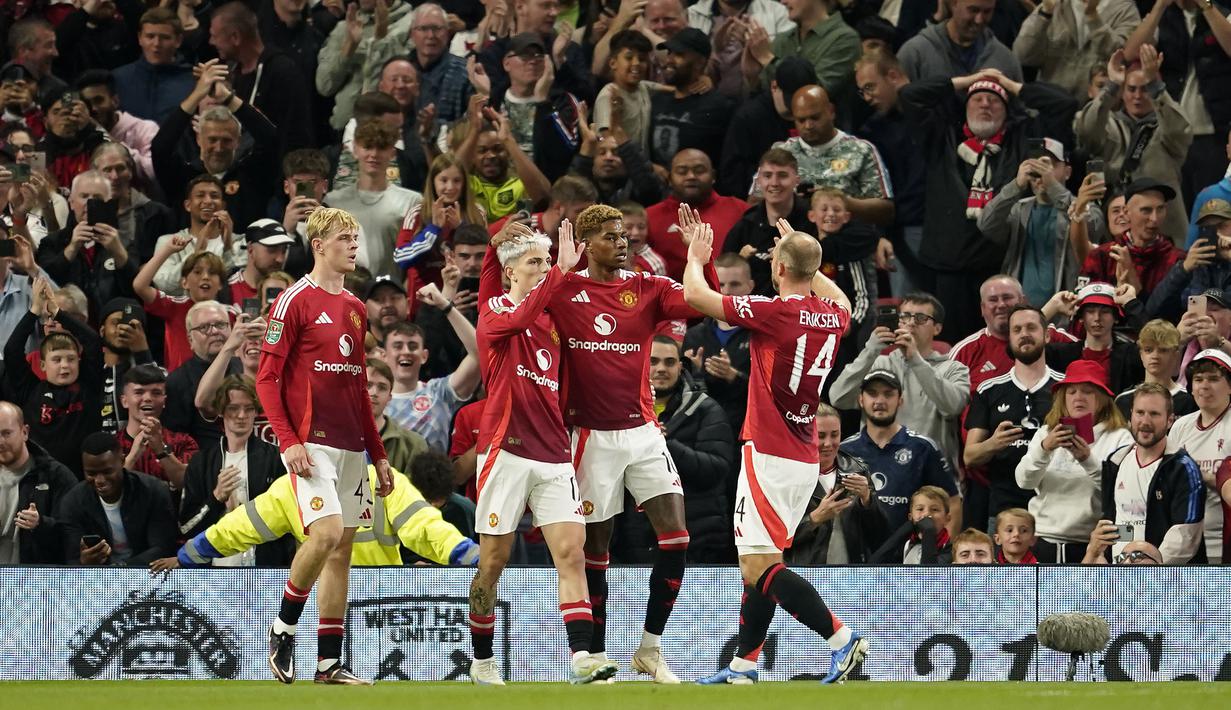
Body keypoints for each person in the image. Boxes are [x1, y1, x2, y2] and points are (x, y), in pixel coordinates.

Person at [683, 211, 867, 685]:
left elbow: (696, 297)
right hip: (803, 454)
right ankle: (744, 666)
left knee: (757, 564)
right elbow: (840, 297)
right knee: (763, 562)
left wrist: (696, 255)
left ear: (778, 269)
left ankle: (841, 639)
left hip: (768, 451)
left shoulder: (773, 311)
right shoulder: (832, 315)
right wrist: (803, 253)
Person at [544, 204, 712, 682]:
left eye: (625, 235)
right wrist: (557, 269)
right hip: (589, 434)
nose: (624, 242)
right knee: (596, 549)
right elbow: (522, 312)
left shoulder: (647, 287)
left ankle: (650, 648)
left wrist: (699, 258)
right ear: (587, 243)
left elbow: (702, 301)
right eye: (612, 237)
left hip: (642, 430)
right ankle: (596, 656)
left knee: (677, 536)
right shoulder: (565, 291)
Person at [466, 218, 615, 685]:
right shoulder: (495, 313)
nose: (545, 268)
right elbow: (519, 313)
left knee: (571, 553)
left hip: (552, 453)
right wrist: (504, 251)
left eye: (547, 262)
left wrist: (560, 271)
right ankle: (482, 660)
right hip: (504, 450)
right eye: (535, 263)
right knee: (493, 560)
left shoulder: (552, 323)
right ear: (512, 272)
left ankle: (582, 658)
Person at [255, 207, 393, 685]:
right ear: (318, 245)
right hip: (311, 445)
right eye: (344, 238)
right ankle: (282, 629)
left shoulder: (355, 308)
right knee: (328, 533)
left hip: (352, 445)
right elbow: (267, 378)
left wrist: (378, 454)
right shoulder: (294, 300)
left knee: (342, 552)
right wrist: (288, 441)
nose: (354, 245)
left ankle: (328, 663)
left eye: (356, 238)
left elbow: (358, 388)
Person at [899, 69, 1078, 339]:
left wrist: (1010, 84)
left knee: (1002, 346)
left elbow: (1063, 104)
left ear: (1007, 111)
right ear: (965, 106)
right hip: (949, 268)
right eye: (977, 98)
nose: (985, 104)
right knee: (955, 350)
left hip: (1000, 267)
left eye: (994, 100)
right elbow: (910, 95)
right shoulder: (941, 136)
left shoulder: (1020, 141)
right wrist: (966, 81)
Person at [156, 456, 477, 570]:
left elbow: (424, 527)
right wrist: (186, 556)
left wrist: (468, 554)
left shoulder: (384, 480)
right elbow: (238, 527)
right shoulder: (292, 488)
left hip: (377, 601)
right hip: (332, 602)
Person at [614, 336, 735, 563]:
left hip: (698, 545)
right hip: (635, 545)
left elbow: (716, 469)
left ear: (680, 366)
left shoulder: (706, 409)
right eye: (654, 361)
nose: (661, 369)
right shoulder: (619, 411)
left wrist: (664, 445)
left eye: (669, 362)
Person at [829, 293, 970, 473]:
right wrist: (870, 350)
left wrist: (915, 360)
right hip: (880, 471)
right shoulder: (878, 363)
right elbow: (838, 398)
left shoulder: (954, 369)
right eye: (904, 316)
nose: (911, 323)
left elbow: (953, 406)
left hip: (930, 476)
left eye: (920, 318)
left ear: (937, 328)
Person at [1014, 359, 1134, 562]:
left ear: (1102, 397)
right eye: (1071, 392)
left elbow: (1123, 493)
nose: (1078, 397)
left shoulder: (1120, 437)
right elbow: (1024, 482)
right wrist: (1044, 450)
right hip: (1042, 541)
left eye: (1087, 391)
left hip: (1091, 545)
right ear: (1063, 398)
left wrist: (1087, 460)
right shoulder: (1046, 432)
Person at [1074, 46, 1191, 242]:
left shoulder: (1166, 128)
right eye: (1131, 89)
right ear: (1122, 92)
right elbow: (1086, 130)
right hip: (1115, 230)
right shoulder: (1109, 126)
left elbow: (1179, 131)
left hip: (1164, 233)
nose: (1137, 96)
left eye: (1145, 89)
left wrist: (1156, 86)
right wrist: (1111, 86)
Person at [964, 305, 1064, 529]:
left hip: (1057, 509)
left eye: (1031, 327)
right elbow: (969, 456)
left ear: (1047, 335)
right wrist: (993, 444)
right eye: (1017, 330)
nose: (1024, 334)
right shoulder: (988, 389)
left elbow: (1087, 444)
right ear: (1009, 338)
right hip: (1004, 511)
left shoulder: (1068, 388)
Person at [150, 60, 279, 229]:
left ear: (238, 141)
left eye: (226, 140)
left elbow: (272, 139)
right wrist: (197, 95)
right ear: (198, 139)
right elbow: (160, 148)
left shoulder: (252, 175)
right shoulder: (183, 177)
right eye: (212, 140)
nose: (218, 148)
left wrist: (227, 98)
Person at [178, 375, 288, 567]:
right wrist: (215, 499)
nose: (241, 415)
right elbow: (186, 528)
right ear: (221, 411)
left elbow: (288, 520)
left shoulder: (275, 458)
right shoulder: (201, 463)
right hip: (215, 572)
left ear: (256, 411)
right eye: (233, 408)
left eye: (248, 408)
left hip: (266, 570)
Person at [3, 275, 103, 478]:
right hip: (40, 476)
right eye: (57, 360)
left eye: (70, 359)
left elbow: (93, 341)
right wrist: (34, 311)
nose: (65, 366)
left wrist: (57, 313)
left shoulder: (88, 384)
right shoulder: (30, 390)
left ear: (79, 361)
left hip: (83, 478)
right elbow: (12, 350)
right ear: (42, 364)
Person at [840, 369, 962, 534]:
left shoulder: (923, 448)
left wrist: (944, 553)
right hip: (857, 554)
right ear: (861, 400)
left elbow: (952, 502)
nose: (880, 401)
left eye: (888, 394)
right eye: (872, 393)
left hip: (911, 555)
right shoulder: (845, 450)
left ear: (900, 400)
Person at [977, 138, 1092, 305]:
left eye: (1049, 164)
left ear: (1067, 172)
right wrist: (1015, 186)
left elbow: (1093, 225)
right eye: (1035, 165)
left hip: (1067, 308)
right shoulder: (1019, 209)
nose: (1041, 171)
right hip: (1021, 311)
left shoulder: (1084, 206)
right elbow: (986, 224)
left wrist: (1053, 186)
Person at [1100, 383, 1205, 564]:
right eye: (1140, 413)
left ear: (1170, 420)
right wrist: (1116, 558)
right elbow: (1122, 525)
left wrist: (1150, 565)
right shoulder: (1115, 461)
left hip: (1167, 579)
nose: (1145, 421)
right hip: (1120, 574)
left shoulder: (1183, 468)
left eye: (1154, 414)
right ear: (1131, 415)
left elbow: (1186, 536)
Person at [853, 49, 926, 297]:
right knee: (906, 312)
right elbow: (873, 190)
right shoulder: (872, 130)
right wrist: (880, 235)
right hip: (901, 232)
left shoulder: (933, 111)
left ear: (893, 76)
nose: (867, 97)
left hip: (944, 229)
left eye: (870, 87)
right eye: (862, 91)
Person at [785, 404, 891, 565]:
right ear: (805, 434)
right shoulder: (787, 473)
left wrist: (867, 500)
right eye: (820, 435)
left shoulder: (858, 469)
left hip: (850, 575)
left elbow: (880, 536)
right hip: (804, 573)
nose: (828, 443)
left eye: (834, 435)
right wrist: (814, 519)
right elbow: (772, 538)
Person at [775, 85, 895, 226]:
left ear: (831, 111)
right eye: (801, 120)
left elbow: (886, 210)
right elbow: (754, 202)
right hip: (796, 239)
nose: (808, 125)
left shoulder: (861, 150)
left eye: (815, 117)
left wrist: (842, 201)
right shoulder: (782, 153)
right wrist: (788, 201)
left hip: (851, 239)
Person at [209, 1, 314, 154]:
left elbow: (295, 136)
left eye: (214, 36)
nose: (211, 42)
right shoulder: (232, 73)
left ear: (235, 37)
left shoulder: (283, 72)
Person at [59, 431, 177, 566]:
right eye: (91, 473)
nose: (99, 480)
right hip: (97, 579)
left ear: (122, 461)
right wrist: (85, 562)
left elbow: (162, 549)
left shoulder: (153, 491)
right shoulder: (73, 502)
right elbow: (71, 560)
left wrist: (121, 569)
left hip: (147, 574)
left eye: (107, 472)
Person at [324, 120, 423, 281]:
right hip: (346, 292)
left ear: (392, 152)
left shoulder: (412, 201)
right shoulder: (334, 201)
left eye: (381, 148)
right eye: (368, 147)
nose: (374, 154)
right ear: (355, 149)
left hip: (391, 292)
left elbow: (416, 256)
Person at [1163, 348, 1231, 563]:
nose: (1204, 386)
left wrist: (1201, 477)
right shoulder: (1181, 426)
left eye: (1213, 379)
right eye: (1198, 379)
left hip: (1223, 542)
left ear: (1230, 386)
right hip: (1184, 544)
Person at [1078, 177, 1186, 309]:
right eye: (1146, 210)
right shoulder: (1103, 257)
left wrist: (1134, 280)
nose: (1154, 218)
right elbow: (1083, 310)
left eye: (1160, 209)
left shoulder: (1177, 261)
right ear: (1127, 212)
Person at [644, 148, 747, 279]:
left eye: (699, 171)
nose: (691, 176)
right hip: (668, 296)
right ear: (670, 178)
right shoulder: (649, 217)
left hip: (728, 295)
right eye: (682, 171)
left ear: (713, 176)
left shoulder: (739, 210)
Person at [133, 238, 231, 372]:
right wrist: (167, 250)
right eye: (197, 272)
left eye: (212, 273)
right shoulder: (174, 306)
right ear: (184, 282)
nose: (205, 277)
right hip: (180, 385)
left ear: (221, 284)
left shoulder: (230, 314)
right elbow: (139, 285)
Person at [315, 0, 414, 132]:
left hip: (391, 131)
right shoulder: (345, 27)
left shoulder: (414, 25)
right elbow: (324, 86)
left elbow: (405, 84)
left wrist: (382, 39)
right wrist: (349, 47)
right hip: (344, 130)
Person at [723, 149, 814, 291]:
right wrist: (739, 262)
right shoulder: (744, 227)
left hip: (802, 309)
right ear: (758, 180)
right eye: (767, 176)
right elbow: (721, 283)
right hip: (753, 310)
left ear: (797, 180)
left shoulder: (813, 221)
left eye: (782, 175)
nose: (774, 183)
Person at [683, 253, 754, 433]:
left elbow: (771, 394)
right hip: (700, 431)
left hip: (745, 432)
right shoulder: (694, 336)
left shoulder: (761, 336)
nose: (726, 291)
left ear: (750, 286)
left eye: (735, 284)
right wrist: (696, 375)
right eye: (720, 284)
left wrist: (734, 377)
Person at [1012, 0, 1140, 99]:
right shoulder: (1055, 4)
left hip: (1098, 114)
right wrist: (1044, 14)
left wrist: (1093, 18)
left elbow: (1121, 57)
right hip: (1051, 108)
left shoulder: (1125, 9)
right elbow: (1022, 56)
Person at [0, 401, 77, 564]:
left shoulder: (56, 476)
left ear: (24, 432)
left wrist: (40, 524)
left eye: (6, 433)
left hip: (36, 581)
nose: (0, 442)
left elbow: (73, 535)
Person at [647, 27, 734, 169]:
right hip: (656, 188)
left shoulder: (720, 107)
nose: (669, 60)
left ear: (700, 62)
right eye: (669, 53)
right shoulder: (656, 100)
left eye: (679, 54)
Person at [455, 94, 551, 222]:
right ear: (472, 156)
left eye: (498, 149)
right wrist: (474, 129)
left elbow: (544, 196)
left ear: (508, 152)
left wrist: (508, 140)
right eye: (482, 151)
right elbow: (452, 172)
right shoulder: (467, 184)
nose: (491, 156)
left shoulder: (522, 183)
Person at [149, 175, 244, 297]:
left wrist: (228, 248)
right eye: (200, 195)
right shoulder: (169, 242)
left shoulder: (240, 242)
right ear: (188, 205)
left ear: (223, 205)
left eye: (214, 196)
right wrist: (196, 254)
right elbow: (165, 286)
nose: (208, 201)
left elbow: (236, 288)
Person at [1046, 282, 1145, 394]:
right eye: (1090, 311)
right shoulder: (1063, 354)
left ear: (1116, 317)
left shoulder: (1130, 355)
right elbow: (1025, 346)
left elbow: (1159, 343)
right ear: (1081, 317)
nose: (1097, 318)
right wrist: (1053, 306)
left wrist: (1131, 303)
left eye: (1105, 311)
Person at [897, 0, 1022, 82]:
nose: (979, 20)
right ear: (953, 4)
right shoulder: (915, 54)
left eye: (987, 12)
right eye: (973, 10)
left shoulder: (1005, 60)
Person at [115, 364, 197, 489]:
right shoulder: (111, 446)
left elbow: (189, 483)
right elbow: (107, 488)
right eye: (139, 392)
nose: (148, 398)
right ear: (124, 401)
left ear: (164, 401)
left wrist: (161, 449)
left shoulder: (184, 442)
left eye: (156, 393)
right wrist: (133, 456)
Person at [75, 69, 159, 186]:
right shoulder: (79, 136)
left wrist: (98, 130)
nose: (93, 108)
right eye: (87, 103)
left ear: (115, 100)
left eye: (99, 100)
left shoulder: (145, 128)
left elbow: (152, 172)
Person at [112, 8, 195, 123]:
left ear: (178, 41)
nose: (156, 44)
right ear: (140, 38)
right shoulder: (118, 79)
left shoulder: (194, 81)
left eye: (165, 37)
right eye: (150, 36)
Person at [1115, 319, 1196, 419]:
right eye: (1148, 350)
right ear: (1141, 354)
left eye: (1163, 350)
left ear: (1175, 355)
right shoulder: (1123, 400)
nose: (1155, 356)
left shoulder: (1188, 402)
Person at [365, 358, 428, 476]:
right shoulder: (335, 438)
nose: (374, 393)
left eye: (382, 387)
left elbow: (414, 493)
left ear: (390, 397)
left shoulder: (413, 444)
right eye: (367, 385)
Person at [229, 219, 294, 304]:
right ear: (250, 249)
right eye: (272, 250)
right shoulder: (228, 290)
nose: (280, 259)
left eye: (284, 251)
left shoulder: (293, 292)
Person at [897, 486, 954, 564]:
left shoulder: (952, 550)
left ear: (947, 519)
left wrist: (929, 533)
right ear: (911, 517)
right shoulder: (907, 544)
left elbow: (928, 574)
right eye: (920, 509)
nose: (926, 514)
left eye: (935, 509)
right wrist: (904, 530)